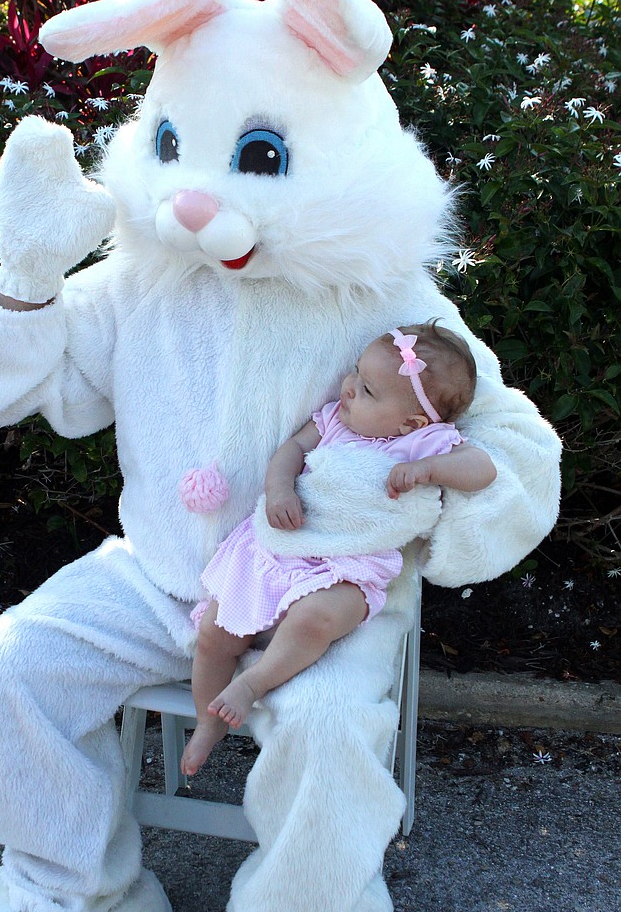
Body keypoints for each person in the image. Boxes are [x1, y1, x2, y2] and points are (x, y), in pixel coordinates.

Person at [181, 322, 497, 776]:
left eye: (366, 389)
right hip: (281, 556)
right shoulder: (332, 419)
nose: (347, 389)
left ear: (412, 421)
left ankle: (254, 683)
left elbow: (482, 469)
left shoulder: (422, 443)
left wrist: (429, 469)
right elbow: (291, 450)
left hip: (350, 567)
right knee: (214, 631)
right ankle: (206, 722)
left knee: (318, 618)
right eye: (354, 373)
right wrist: (280, 489)